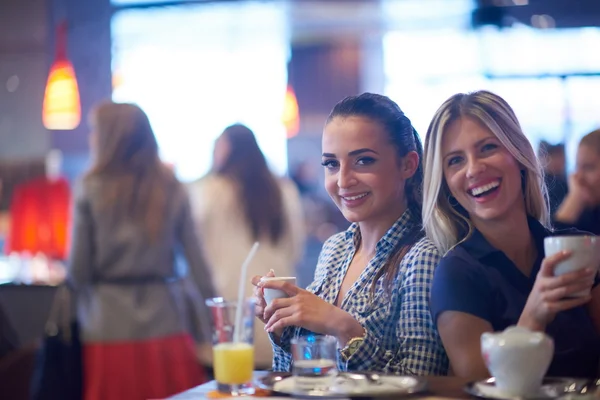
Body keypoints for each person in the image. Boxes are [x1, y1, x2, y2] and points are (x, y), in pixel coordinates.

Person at [252, 93, 448, 375]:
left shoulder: (423, 256)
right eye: (332, 164)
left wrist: (343, 326)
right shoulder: (335, 248)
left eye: (364, 161)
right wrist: (285, 326)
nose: (343, 180)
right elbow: (311, 377)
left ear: (408, 164)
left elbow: (420, 382)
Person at [423, 90, 600, 379]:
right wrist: (534, 315)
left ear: (518, 155)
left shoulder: (576, 248)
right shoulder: (457, 273)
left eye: (488, 148)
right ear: (445, 184)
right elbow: (481, 388)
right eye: (455, 160)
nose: (474, 168)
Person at [68, 102, 217, 400]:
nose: (91, 138)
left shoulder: (90, 187)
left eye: (95, 131)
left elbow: (78, 271)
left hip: (107, 324)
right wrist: (214, 323)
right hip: (167, 321)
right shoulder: (171, 185)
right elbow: (198, 265)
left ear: (108, 136)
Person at [188, 123, 305, 369]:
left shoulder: (208, 192)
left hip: (224, 313)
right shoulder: (284, 190)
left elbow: (193, 254)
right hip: (276, 313)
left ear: (226, 150)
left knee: (228, 386)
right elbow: (297, 250)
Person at [554, 129, 600, 234]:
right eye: (577, 167)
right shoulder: (587, 214)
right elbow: (555, 246)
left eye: (588, 167)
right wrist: (573, 202)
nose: (578, 177)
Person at [538, 141, 568, 215]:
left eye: (561, 157)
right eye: (555, 157)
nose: (560, 161)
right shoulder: (544, 184)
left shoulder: (566, 181)